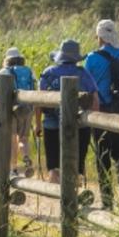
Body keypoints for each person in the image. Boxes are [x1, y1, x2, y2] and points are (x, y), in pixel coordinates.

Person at [83, 19, 119, 203]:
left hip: (100, 112)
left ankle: (107, 200)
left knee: (103, 158)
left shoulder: (92, 58)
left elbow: (85, 85)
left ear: (100, 37)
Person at [37, 38, 99, 183]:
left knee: (53, 167)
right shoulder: (82, 73)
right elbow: (95, 98)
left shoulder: (48, 73)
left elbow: (38, 101)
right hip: (79, 124)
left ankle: (55, 199)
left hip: (52, 123)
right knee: (77, 165)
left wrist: (38, 123)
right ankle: (74, 197)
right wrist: (93, 120)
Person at [2, 47, 38, 173]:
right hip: (28, 108)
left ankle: (13, 168)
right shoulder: (29, 71)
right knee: (23, 139)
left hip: (11, 110)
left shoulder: (5, 71)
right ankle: (26, 158)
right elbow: (34, 88)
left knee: (12, 139)